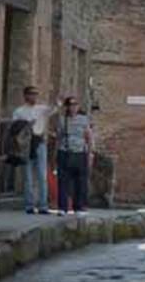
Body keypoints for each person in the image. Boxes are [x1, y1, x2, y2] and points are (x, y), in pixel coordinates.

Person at [12, 85, 57, 214]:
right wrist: (26, 126)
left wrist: (56, 99)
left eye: (36, 94)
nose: (34, 97)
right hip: (26, 144)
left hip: (39, 141)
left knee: (42, 175)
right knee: (28, 176)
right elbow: (15, 128)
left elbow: (53, 108)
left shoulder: (41, 109)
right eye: (31, 94)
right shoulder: (19, 111)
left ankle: (43, 205)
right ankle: (29, 205)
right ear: (25, 95)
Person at [55, 96, 93, 216]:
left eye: (75, 105)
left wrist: (90, 153)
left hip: (80, 152)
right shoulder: (62, 120)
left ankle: (79, 207)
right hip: (65, 151)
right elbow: (59, 137)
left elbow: (88, 136)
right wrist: (54, 154)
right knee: (63, 181)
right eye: (70, 105)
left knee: (80, 181)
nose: (73, 107)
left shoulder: (84, 119)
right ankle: (63, 207)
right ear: (67, 107)